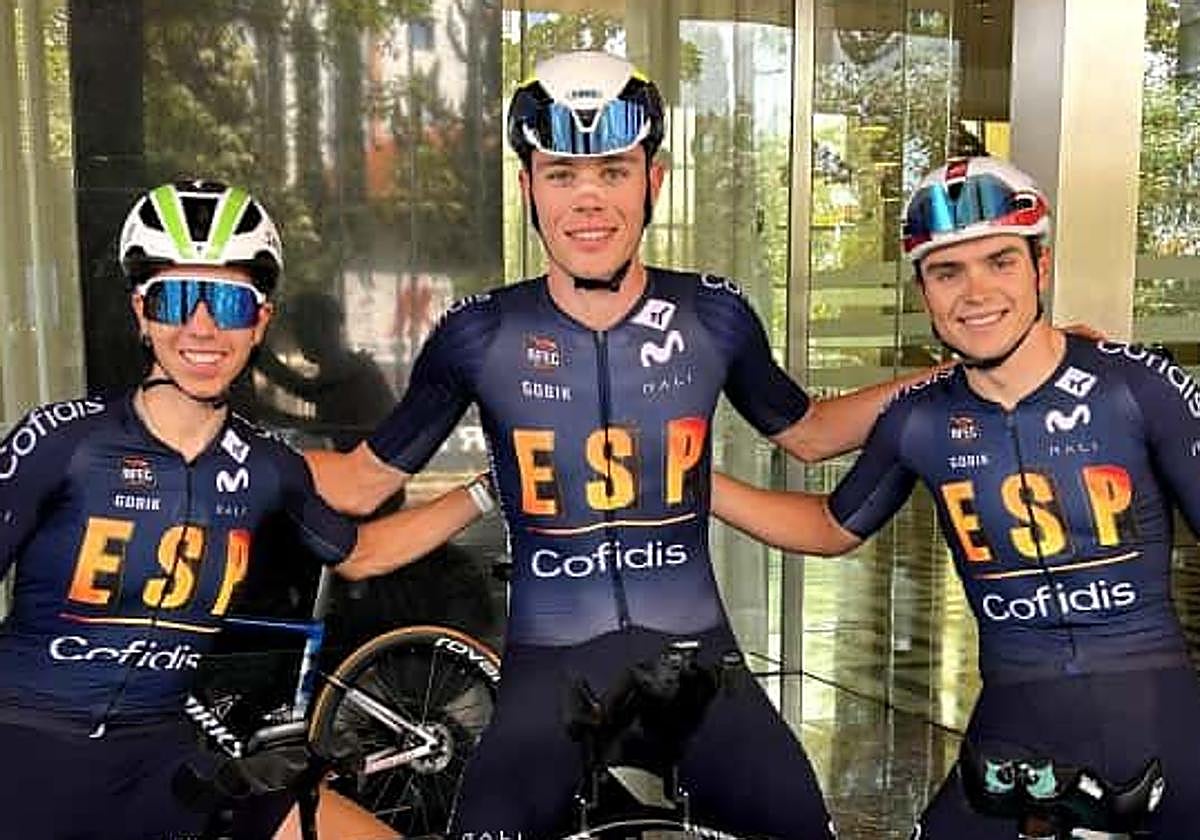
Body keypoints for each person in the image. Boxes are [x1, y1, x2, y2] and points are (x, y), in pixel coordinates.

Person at [305, 50, 938, 839]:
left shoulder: (712, 315)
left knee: (801, 827)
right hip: (549, 669)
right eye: (562, 173)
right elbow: (360, 484)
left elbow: (809, 433)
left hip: (699, 661)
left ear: (653, 181)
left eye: (613, 171)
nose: (589, 198)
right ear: (529, 188)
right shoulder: (479, 333)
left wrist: (959, 373)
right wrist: (206, 436)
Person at [712, 155, 1200, 837]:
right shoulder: (919, 420)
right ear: (924, 292)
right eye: (947, 271)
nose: (976, 292)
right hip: (1015, 721)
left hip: (1157, 710)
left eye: (1000, 261)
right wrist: (695, 481)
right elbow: (829, 525)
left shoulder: (1137, 386)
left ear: (1040, 267)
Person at [0, 180, 492, 840]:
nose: (202, 328)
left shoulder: (265, 466)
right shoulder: (63, 441)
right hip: (28, 750)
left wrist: (493, 489)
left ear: (260, 321)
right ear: (142, 312)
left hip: (164, 766)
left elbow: (363, 552)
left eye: (230, 303)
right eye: (176, 298)